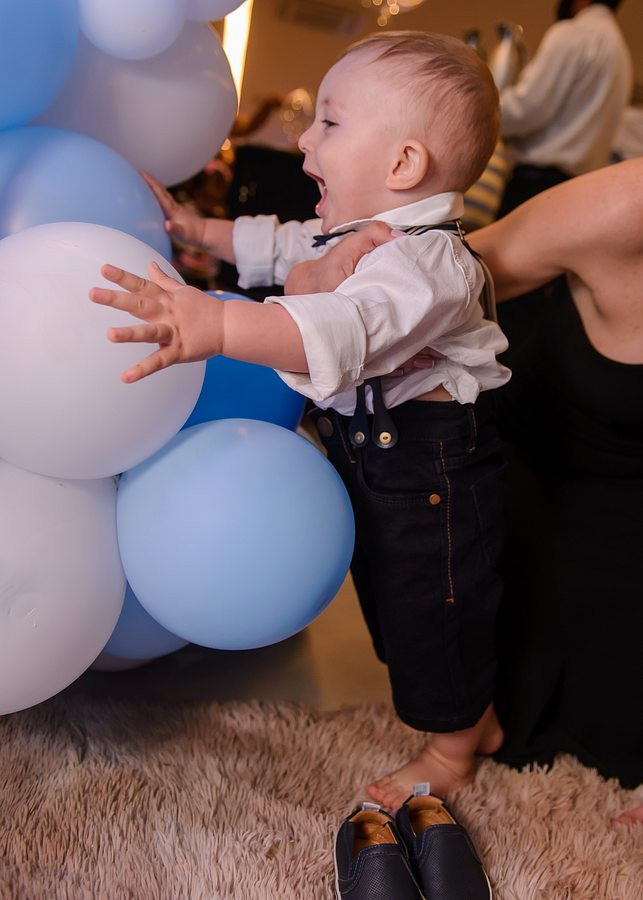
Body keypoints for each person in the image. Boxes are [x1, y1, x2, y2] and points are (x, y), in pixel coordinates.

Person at [90, 31, 511, 810]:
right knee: (387, 599)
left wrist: (218, 327)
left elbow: (343, 331)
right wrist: (196, 231)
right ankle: (467, 712)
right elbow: (284, 244)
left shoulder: (431, 266)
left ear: (402, 165)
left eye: (330, 122)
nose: (304, 140)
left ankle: (454, 747)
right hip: (377, 457)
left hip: (430, 471)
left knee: (433, 605)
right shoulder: (358, 231)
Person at [285, 158, 643, 829]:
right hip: (504, 520)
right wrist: (341, 294)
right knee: (437, 646)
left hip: (624, 591)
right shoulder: (625, 204)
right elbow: (433, 270)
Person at [497, 0, 632, 216]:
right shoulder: (621, 53)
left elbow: (529, 108)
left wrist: (484, 115)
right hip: (581, 192)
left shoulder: (573, 33)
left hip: (538, 185)